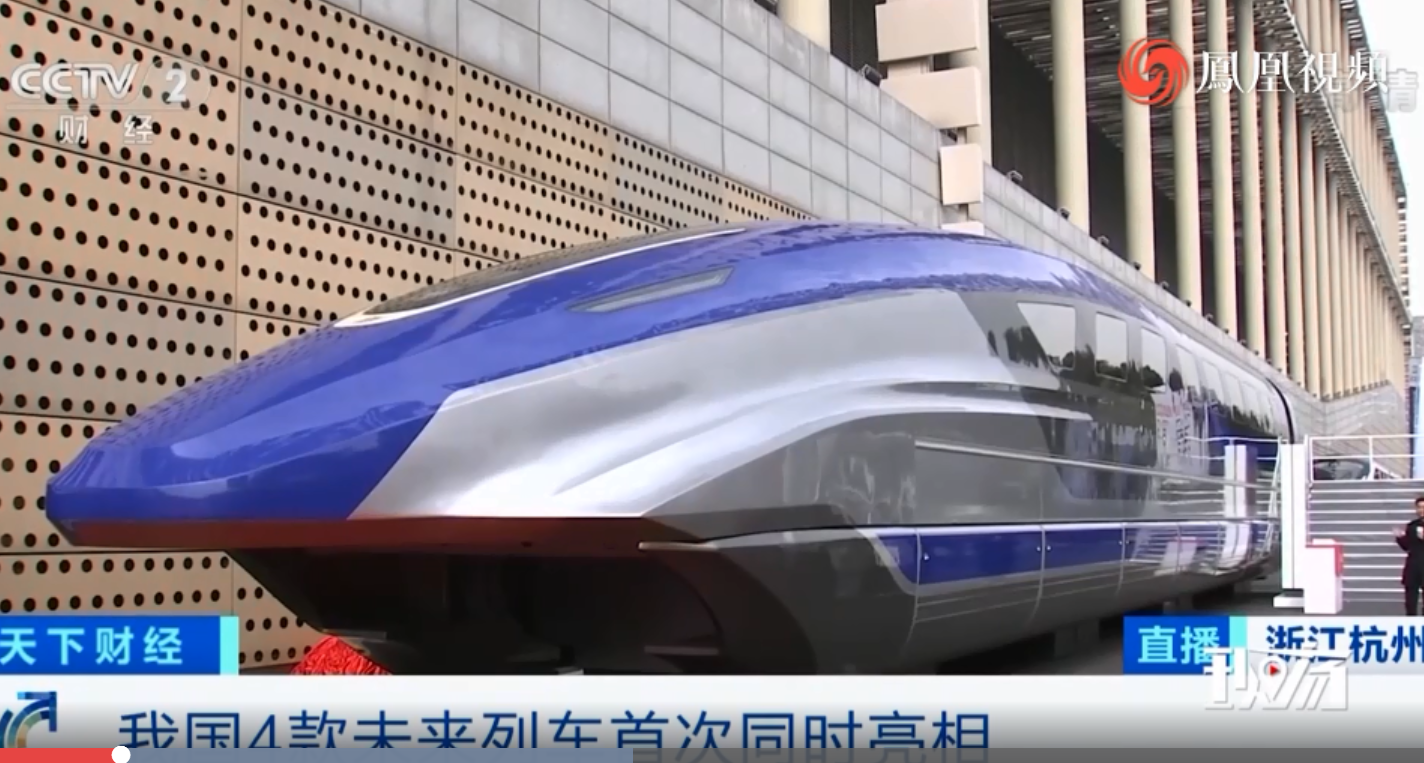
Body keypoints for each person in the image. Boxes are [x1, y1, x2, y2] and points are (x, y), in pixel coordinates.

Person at [1394, 496, 1424, 615]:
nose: (1421, 510)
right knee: (1410, 599)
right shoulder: (1412, 525)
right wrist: (1400, 537)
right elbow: (1407, 547)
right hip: (1413, 566)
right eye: (1419, 507)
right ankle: (1411, 620)